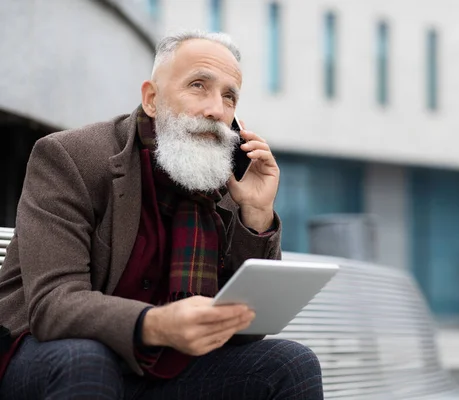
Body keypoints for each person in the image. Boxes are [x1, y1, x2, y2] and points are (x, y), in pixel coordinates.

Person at [0, 30, 324, 399]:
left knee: (291, 364)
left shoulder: (224, 180)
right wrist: (155, 325)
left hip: (164, 370)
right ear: (152, 99)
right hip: (48, 355)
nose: (215, 109)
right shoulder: (70, 157)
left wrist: (257, 213)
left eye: (229, 97)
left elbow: (246, 331)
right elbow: (52, 306)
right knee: (87, 358)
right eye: (199, 85)